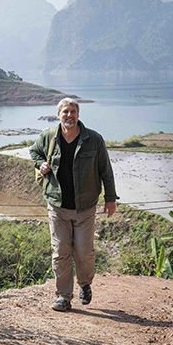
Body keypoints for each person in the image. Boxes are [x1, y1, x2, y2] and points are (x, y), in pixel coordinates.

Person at [29, 98, 118, 312]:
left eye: (73, 112)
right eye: (65, 112)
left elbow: (105, 170)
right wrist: (41, 164)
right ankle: (63, 296)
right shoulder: (48, 137)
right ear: (58, 115)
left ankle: (85, 284)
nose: (69, 115)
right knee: (61, 251)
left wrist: (110, 198)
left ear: (78, 114)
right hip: (57, 206)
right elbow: (34, 151)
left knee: (83, 252)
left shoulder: (93, 139)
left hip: (85, 207)